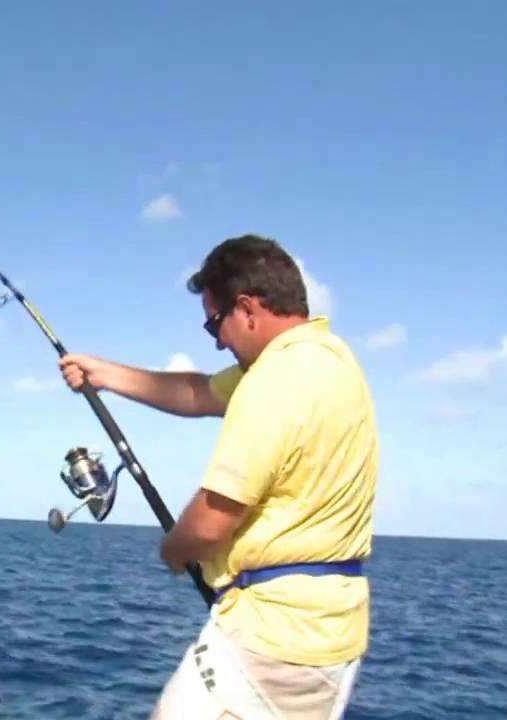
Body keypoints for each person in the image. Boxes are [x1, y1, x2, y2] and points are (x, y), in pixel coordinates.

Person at [58, 234, 378, 719]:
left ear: (247, 308)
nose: (216, 340)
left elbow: (212, 520)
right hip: (331, 632)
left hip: (271, 638)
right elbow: (197, 393)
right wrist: (102, 372)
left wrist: (172, 552)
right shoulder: (330, 360)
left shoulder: (277, 379)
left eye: (215, 322)